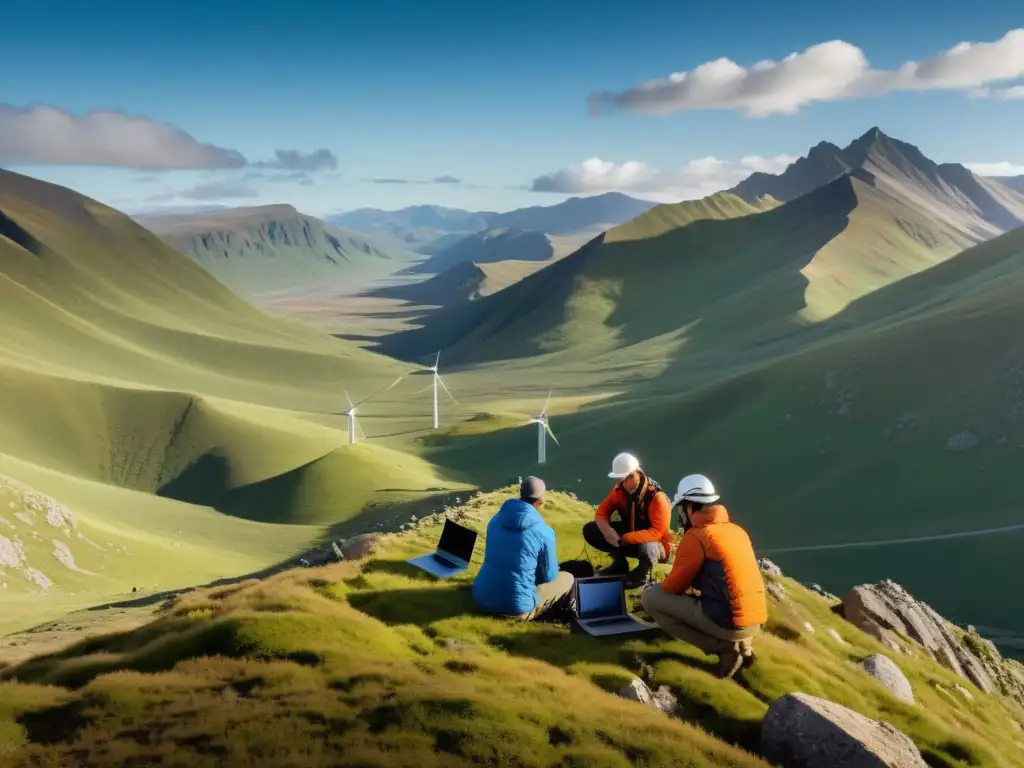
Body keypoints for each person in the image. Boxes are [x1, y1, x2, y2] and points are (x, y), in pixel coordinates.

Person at [641, 473, 768, 679]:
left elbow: (672, 587)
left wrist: (657, 586)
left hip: (729, 624)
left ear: (690, 506)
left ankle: (724, 649)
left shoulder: (697, 536)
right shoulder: (737, 531)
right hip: (754, 623)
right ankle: (745, 648)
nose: (681, 516)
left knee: (651, 598)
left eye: (681, 509)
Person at [473, 476, 575, 620]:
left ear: (520, 493)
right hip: (516, 608)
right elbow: (548, 577)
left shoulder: (495, 520)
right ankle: (563, 614)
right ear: (540, 500)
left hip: (481, 598)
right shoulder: (544, 532)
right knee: (568, 578)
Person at [582, 452, 673, 587]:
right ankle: (620, 564)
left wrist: (626, 538)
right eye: (621, 479)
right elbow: (601, 514)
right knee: (591, 530)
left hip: (655, 545)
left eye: (626, 479)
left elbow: (657, 532)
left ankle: (642, 575)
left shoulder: (657, 497)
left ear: (636, 474)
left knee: (648, 547)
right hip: (628, 538)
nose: (622, 483)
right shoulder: (619, 491)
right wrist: (608, 532)